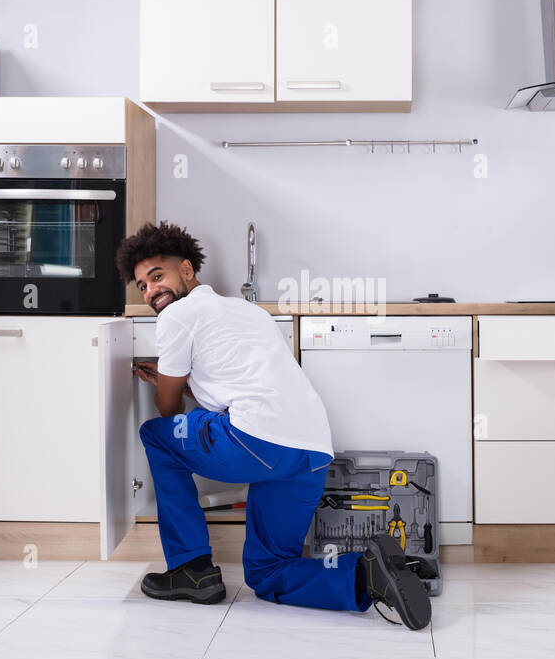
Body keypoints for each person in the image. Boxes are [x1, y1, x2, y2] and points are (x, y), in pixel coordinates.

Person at [115, 221, 431, 629]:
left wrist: (167, 385)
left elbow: (167, 409)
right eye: (141, 285)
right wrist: (183, 385)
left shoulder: (177, 315)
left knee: (157, 437)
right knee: (268, 572)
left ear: (187, 270)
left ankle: (191, 569)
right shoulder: (250, 312)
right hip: (311, 452)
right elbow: (236, 391)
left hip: (256, 443)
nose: (150, 291)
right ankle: (368, 574)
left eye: (157, 276)